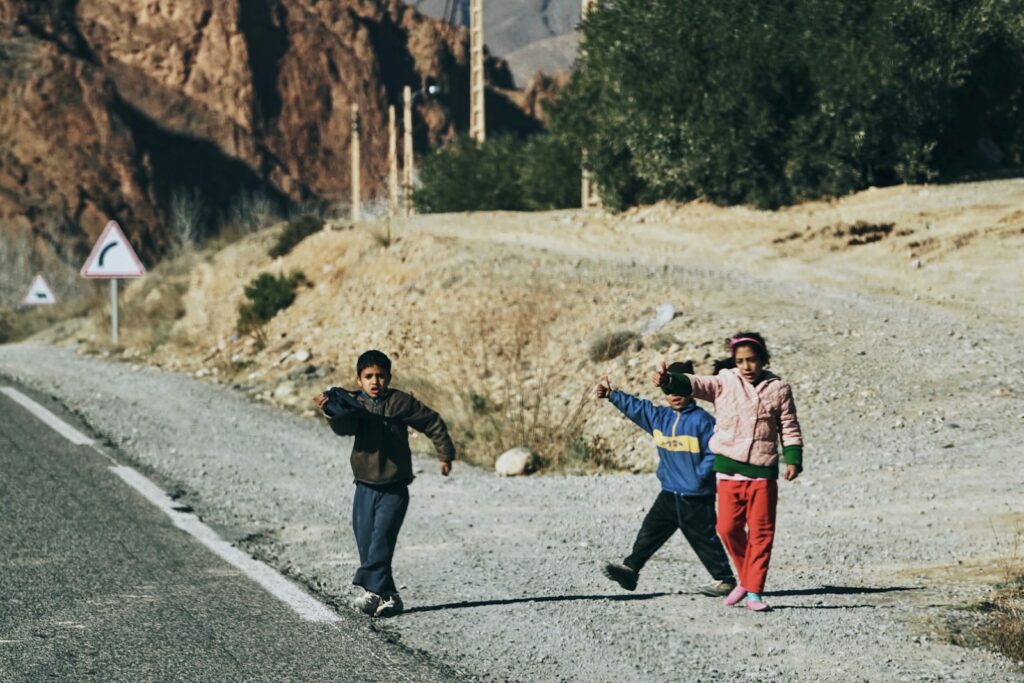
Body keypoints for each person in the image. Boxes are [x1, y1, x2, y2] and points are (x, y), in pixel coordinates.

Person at [654, 333, 803, 612]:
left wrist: (793, 458)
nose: (746, 366)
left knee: (761, 533)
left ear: (763, 360)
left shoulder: (779, 389)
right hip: (727, 472)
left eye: (752, 360)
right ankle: (746, 580)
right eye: (741, 361)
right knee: (726, 528)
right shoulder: (724, 382)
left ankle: (754, 591)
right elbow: (696, 384)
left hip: (762, 474)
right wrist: (669, 381)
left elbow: (790, 426)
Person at [313, 350, 455, 618]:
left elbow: (432, 422)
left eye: (380, 376)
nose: (375, 381)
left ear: (389, 378)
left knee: (381, 543)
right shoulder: (354, 404)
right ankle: (389, 596)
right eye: (368, 376)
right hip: (364, 487)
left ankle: (370, 593)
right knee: (366, 543)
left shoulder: (400, 402)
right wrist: (330, 411)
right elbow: (344, 428)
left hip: (394, 487)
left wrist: (445, 454)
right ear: (359, 380)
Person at [597, 361, 736, 597]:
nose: (675, 396)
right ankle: (631, 570)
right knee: (650, 530)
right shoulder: (659, 418)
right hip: (670, 492)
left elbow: (715, 452)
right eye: (669, 391)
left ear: (691, 388)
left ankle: (724, 579)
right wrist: (612, 395)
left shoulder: (702, 421)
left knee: (703, 537)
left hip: (696, 495)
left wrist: (700, 478)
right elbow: (636, 407)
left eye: (680, 389)